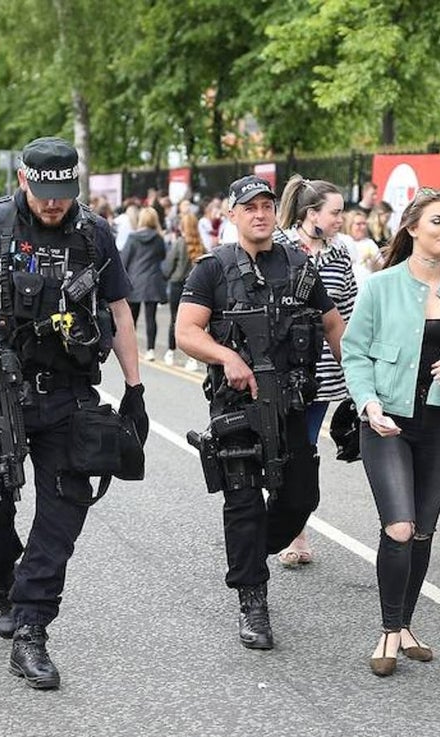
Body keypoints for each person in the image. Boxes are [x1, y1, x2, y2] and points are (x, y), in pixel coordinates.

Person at [0, 136, 146, 689]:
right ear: (24, 179)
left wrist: (135, 389)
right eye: (45, 192)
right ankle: (1, 576)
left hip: (68, 394)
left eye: (64, 192)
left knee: (63, 514)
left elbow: (118, 310)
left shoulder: (93, 233)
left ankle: (31, 628)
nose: (53, 203)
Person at [175, 174, 345, 650]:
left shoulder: (299, 266)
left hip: (290, 404)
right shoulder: (212, 269)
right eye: (249, 207)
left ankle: (253, 550)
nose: (260, 214)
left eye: (266, 206)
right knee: (244, 503)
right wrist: (227, 357)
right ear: (232, 214)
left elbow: (333, 325)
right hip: (237, 410)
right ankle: (252, 598)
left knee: (301, 497)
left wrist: (360, 384)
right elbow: (186, 332)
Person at [340, 188, 440, 676]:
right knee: (399, 527)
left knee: (422, 531)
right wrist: (368, 402)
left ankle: (405, 625)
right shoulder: (381, 286)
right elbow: (354, 352)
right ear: (411, 228)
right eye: (437, 221)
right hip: (387, 423)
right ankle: (388, 630)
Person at [274, 175, 355, 567]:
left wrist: (357, 371)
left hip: (321, 376)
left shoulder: (341, 256)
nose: (341, 219)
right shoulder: (278, 247)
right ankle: (278, 521)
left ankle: (296, 532)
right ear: (311, 213)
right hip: (281, 371)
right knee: (279, 448)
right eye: (335, 212)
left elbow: (348, 312)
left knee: (304, 449)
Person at [122, 207, 168, 361]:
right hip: (152, 281)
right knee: (151, 317)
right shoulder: (158, 239)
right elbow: (162, 256)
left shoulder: (132, 238)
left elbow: (124, 260)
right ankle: (150, 350)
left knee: (131, 317)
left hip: (134, 280)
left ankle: (131, 347)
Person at [162, 212, 204, 370]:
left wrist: (167, 275)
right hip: (196, 287)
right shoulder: (201, 245)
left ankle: (170, 352)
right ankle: (192, 359)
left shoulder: (179, 243)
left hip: (177, 285)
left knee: (175, 319)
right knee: (195, 324)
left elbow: (168, 267)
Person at [339, 209, 381, 286]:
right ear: (349, 225)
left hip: (368, 284)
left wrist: (373, 261)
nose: (362, 227)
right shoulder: (343, 242)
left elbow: (381, 268)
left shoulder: (370, 243)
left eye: (364, 224)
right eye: (358, 224)